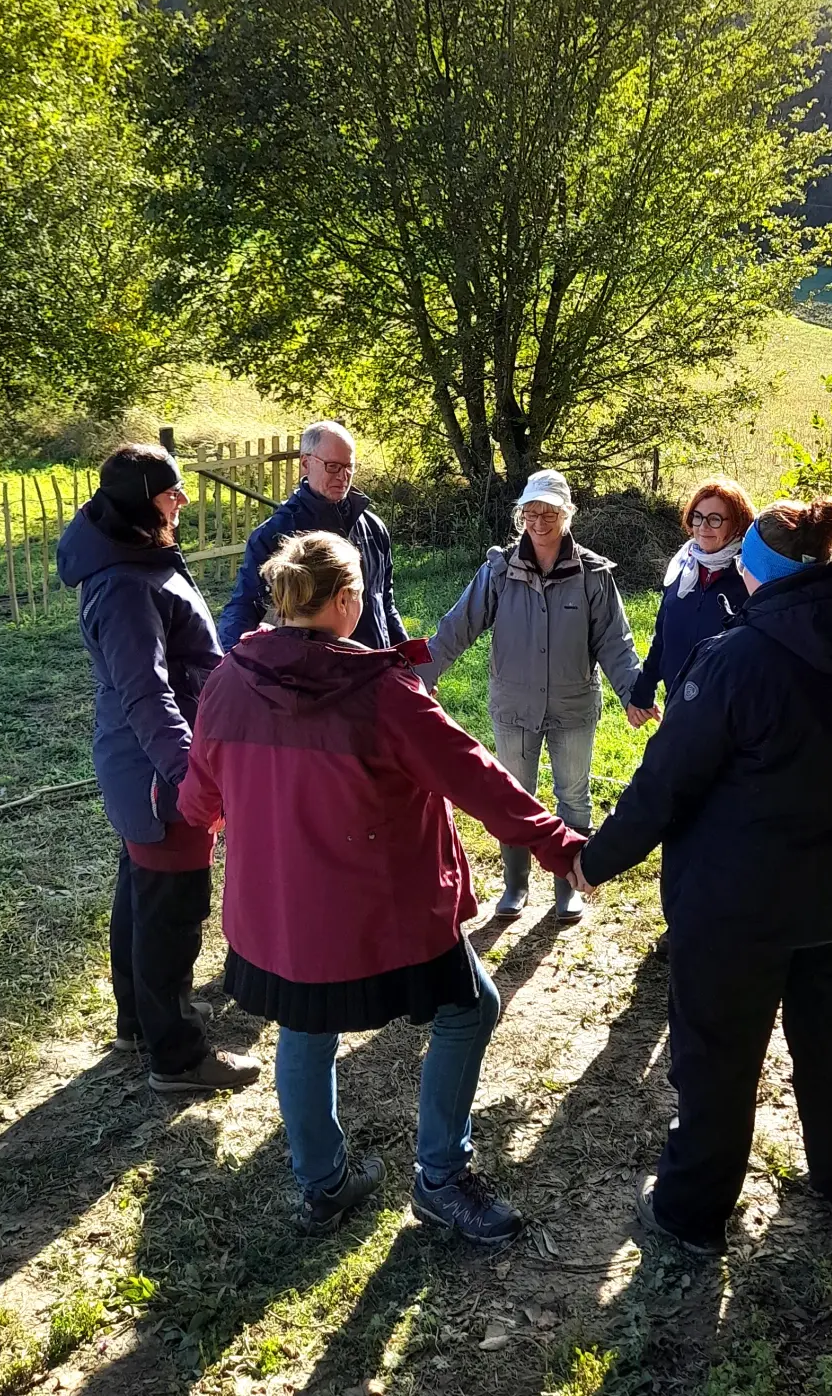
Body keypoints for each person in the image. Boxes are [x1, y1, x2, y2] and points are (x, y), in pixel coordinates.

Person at [178, 531, 591, 1240]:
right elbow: (477, 778)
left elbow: (197, 803)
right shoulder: (381, 694)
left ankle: (322, 1184)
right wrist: (561, 845)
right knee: (469, 1010)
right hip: (384, 917)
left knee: (304, 1029)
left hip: (276, 919)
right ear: (343, 601)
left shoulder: (229, 680)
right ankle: (440, 1178)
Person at [575, 498, 832, 1255]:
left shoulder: (734, 660)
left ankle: (690, 1213)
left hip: (741, 906)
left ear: (754, 573)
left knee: (718, 1056)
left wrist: (592, 858)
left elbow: (665, 784)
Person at [57, 444, 261, 1096]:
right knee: (172, 910)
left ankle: (138, 1024)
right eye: (170, 492)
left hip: (145, 771)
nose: (182, 500)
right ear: (142, 502)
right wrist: (190, 777)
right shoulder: (123, 586)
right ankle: (175, 1057)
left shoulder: (135, 557)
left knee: (141, 896)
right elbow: (148, 695)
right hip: (158, 778)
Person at [417, 469, 642, 924]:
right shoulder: (500, 570)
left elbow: (615, 641)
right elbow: (458, 626)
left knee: (573, 796)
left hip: (573, 705)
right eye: (531, 512)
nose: (539, 521)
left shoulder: (593, 574)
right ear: (521, 516)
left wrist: (632, 692)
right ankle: (514, 885)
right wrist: (420, 675)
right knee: (515, 795)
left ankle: (570, 885)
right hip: (515, 706)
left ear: (567, 516)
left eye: (550, 512)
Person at [217, 421, 407, 652]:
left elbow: (385, 604)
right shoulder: (274, 535)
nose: (343, 476)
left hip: (373, 669)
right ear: (306, 464)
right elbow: (245, 606)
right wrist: (229, 662)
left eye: (349, 466)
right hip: (311, 676)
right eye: (333, 467)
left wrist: (409, 663)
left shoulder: (374, 528)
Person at [625, 475, 755, 726]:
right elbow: (662, 636)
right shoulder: (682, 569)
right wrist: (643, 692)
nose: (703, 527)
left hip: (729, 714)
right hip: (679, 703)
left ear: (738, 523)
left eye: (715, 519)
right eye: (698, 516)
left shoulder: (749, 577)